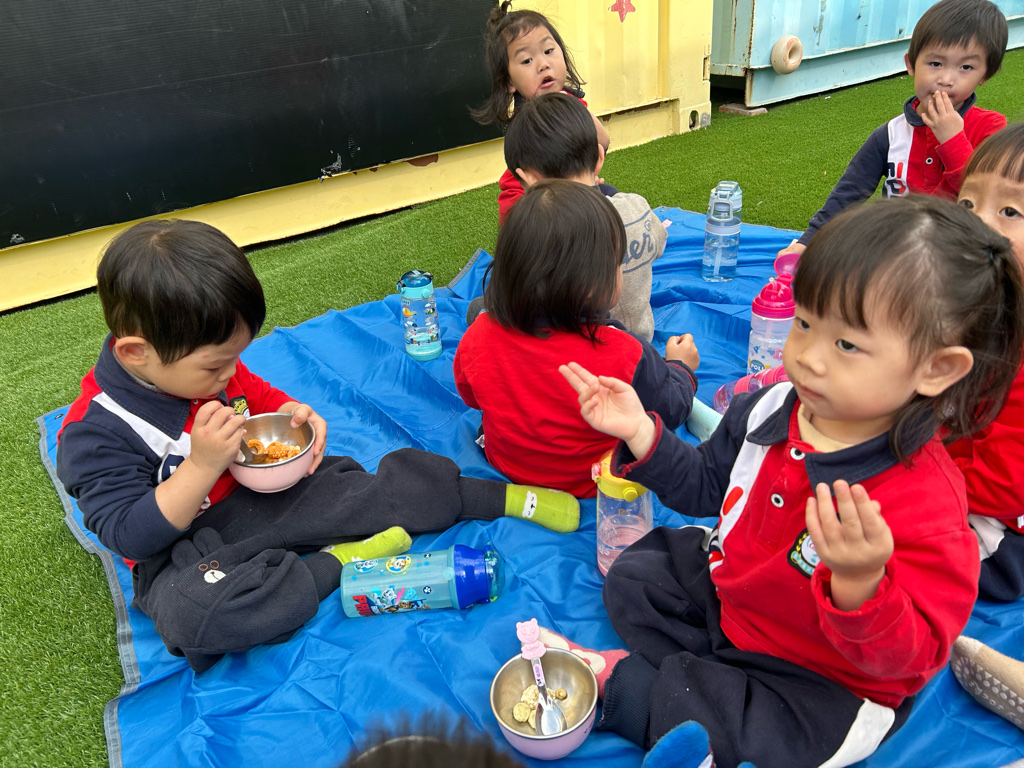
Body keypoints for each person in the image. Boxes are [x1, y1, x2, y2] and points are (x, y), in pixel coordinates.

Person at [556, 195, 1024, 767]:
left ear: (936, 368)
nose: (808, 357)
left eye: (847, 344)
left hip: (822, 675)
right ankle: (704, 690)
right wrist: (641, 433)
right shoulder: (771, 406)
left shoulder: (926, 499)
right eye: (805, 322)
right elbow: (704, 485)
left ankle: (635, 691)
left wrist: (860, 583)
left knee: (791, 738)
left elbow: (909, 659)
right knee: (636, 575)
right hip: (736, 598)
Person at [55, 219, 580, 673]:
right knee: (194, 616)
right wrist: (201, 466)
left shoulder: (212, 371)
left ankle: (501, 497)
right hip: (190, 548)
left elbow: (259, 397)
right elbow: (128, 535)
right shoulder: (94, 433)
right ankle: (337, 563)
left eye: (236, 358)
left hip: (265, 495)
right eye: (215, 366)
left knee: (361, 489)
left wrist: (294, 412)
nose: (229, 375)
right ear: (136, 353)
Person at [453, 180, 698, 498]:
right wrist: (681, 368)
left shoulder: (478, 334)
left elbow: (471, 397)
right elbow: (671, 409)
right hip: (595, 482)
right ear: (591, 285)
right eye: (617, 263)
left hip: (507, 466)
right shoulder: (626, 350)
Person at [781, 0, 1008, 259]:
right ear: (911, 64)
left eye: (966, 67)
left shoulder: (991, 129)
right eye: (935, 63)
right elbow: (850, 192)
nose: (946, 79)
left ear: (985, 75)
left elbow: (989, 197)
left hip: (963, 258)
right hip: (896, 252)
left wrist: (952, 139)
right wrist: (809, 241)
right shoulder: (890, 134)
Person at [947, 123, 1024, 731]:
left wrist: (914, 476)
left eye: (1010, 211)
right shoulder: (982, 304)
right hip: (963, 471)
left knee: (890, 539)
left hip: (1002, 531)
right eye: (968, 204)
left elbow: (1002, 483)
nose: (978, 224)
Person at [501, 92, 666, 342]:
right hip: (643, 339)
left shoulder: (541, 232)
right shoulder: (636, 207)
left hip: (581, 351)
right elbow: (659, 243)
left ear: (529, 179)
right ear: (599, 157)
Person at [470, 1, 611, 224]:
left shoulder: (569, 101)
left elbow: (602, 142)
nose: (543, 64)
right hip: (533, 203)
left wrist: (587, 180)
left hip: (571, 190)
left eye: (548, 51)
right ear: (509, 82)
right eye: (527, 60)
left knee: (610, 194)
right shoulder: (528, 123)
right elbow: (547, 178)